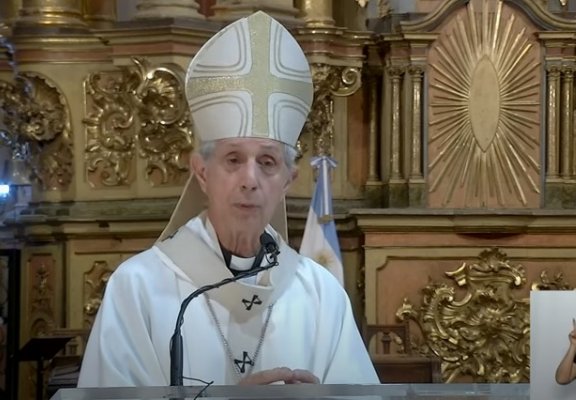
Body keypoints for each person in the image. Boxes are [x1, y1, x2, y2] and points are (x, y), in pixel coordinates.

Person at [78, 11, 379, 387]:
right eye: (233, 160)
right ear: (202, 172)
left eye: (267, 162)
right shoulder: (138, 288)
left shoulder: (320, 294)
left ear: (288, 180)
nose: (249, 180)